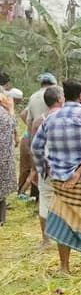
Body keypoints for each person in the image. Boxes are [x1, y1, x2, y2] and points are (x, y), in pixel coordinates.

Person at [30, 79, 81, 276]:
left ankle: (64, 268)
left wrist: (42, 169)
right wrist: (79, 172)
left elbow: (36, 147)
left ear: (64, 96)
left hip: (59, 179)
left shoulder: (50, 119)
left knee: (62, 220)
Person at [28, 86, 64, 248]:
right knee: (64, 201)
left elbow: (34, 147)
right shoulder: (66, 116)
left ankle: (45, 239)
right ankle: (64, 238)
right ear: (59, 99)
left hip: (45, 168)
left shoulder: (38, 121)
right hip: (64, 168)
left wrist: (34, 169)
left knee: (45, 201)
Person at [0, 93, 15, 226]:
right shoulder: (4, 114)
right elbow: (12, 127)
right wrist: (11, 110)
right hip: (3, 158)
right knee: (1, 191)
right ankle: (2, 219)